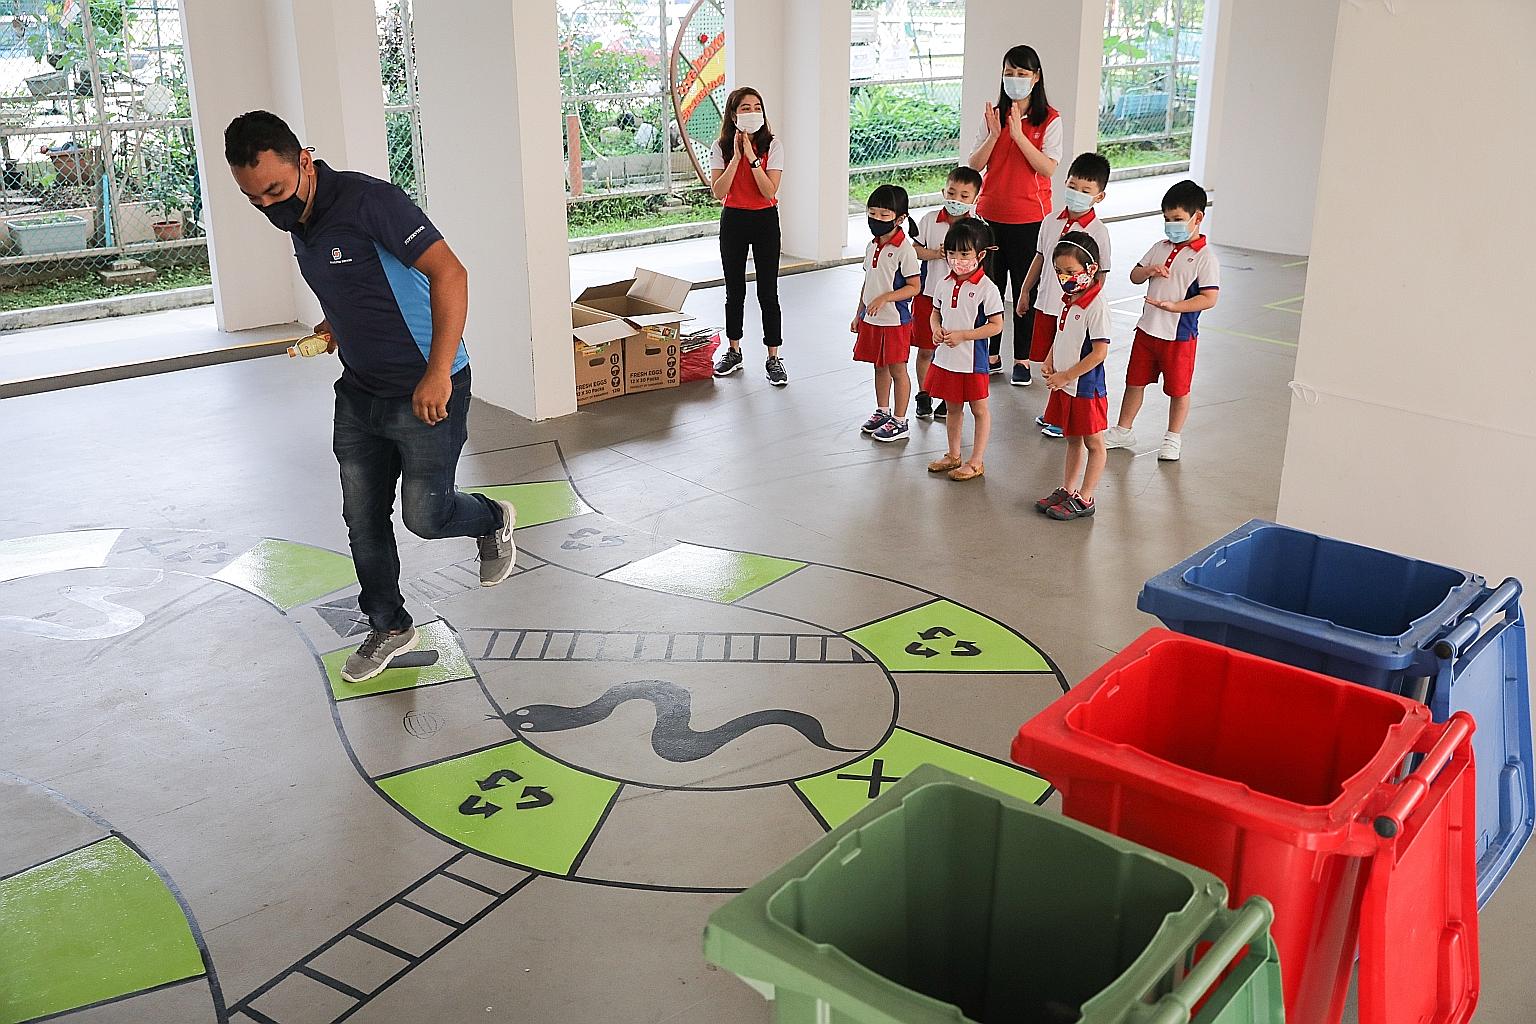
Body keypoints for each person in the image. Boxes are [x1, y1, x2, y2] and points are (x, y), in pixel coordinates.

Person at [223, 111, 516, 684]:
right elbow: (352, 281)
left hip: (428, 387)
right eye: (254, 198)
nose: (267, 207)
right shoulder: (299, 222)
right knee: (362, 518)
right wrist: (334, 327)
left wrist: (435, 373)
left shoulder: (369, 202)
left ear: (304, 161)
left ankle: (490, 519)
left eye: (275, 190)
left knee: (427, 516)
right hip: (359, 393)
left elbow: (450, 273)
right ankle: (388, 622)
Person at [1104, 179, 1220, 462]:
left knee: (1178, 389)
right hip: (1146, 331)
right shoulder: (1160, 246)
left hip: (1178, 337)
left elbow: (1208, 298)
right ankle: (1123, 429)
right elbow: (1134, 275)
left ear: (1198, 218)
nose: (1171, 225)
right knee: (1135, 381)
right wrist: (1148, 272)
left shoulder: (1205, 258)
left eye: (1178, 219)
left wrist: (1175, 307)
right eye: (1167, 219)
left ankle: (1172, 437)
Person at [968, 44, 1062, 381]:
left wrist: (1020, 136)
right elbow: (975, 165)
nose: (1015, 79)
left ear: (1036, 78)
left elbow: (1048, 168)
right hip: (990, 217)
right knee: (991, 289)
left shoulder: (1049, 119)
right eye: (1010, 73)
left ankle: (1021, 360)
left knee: (1025, 291)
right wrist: (996, 135)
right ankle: (991, 354)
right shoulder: (993, 114)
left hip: (1029, 220)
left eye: (1022, 74)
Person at [1021, 152, 1113, 437]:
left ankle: (1065, 419)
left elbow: (1101, 274)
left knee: (1071, 360)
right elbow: (1039, 258)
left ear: (1099, 196)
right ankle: (1055, 411)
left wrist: (1085, 305)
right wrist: (1025, 290)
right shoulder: (1050, 221)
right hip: (1049, 303)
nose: (1077, 194)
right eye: (1073, 186)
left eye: (1086, 191)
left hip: (1076, 310)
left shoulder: (1098, 231)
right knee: (1051, 363)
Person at [709, 87, 788, 386]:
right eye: (745, 107)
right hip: (734, 220)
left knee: (768, 292)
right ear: (733, 114)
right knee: (734, 289)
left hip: (765, 219)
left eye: (757, 106)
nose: (752, 112)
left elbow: (769, 190)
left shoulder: (773, 145)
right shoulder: (721, 146)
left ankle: (773, 356)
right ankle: (734, 350)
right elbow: (719, 191)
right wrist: (736, 158)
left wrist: (754, 158)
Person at [922, 218, 1004, 481]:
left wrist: (964, 336)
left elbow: (996, 325)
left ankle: (976, 460)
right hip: (947, 359)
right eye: (952, 253)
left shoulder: (986, 289)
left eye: (965, 253)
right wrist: (936, 328)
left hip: (972, 361)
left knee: (979, 410)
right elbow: (935, 313)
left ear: (980, 255)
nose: (958, 259)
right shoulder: (944, 283)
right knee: (952, 407)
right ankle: (953, 454)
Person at [1037, 232, 1111, 521]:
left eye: (1070, 271)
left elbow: (1099, 352)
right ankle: (1068, 490)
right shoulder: (1069, 299)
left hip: (1084, 387)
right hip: (1065, 385)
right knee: (1071, 439)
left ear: (1090, 270)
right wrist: (1050, 359)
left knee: (1094, 443)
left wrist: (1066, 375)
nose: (1064, 277)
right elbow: (1063, 333)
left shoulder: (1096, 306)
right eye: (1059, 271)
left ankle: (1086, 497)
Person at [911, 165, 984, 421]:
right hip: (928, 295)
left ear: (975, 199)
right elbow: (915, 250)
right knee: (925, 349)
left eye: (964, 196)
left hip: (960, 302)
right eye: (952, 192)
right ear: (944, 190)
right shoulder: (930, 220)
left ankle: (948, 397)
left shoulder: (976, 228)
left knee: (952, 350)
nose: (956, 200)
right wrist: (935, 254)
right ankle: (924, 393)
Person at [851, 184, 922, 443]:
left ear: (900, 218)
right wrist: (859, 313)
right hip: (872, 320)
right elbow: (868, 282)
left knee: (897, 370)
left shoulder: (905, 250)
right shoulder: (872, 245)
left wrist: (886, 298)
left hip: (894, 321)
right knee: (879, 366)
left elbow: (915, 287)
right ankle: (882, 411)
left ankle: (901, 421)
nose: (876, 220)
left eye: (884, 215)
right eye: (872, 213)